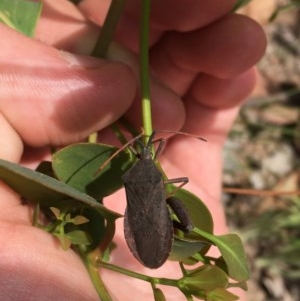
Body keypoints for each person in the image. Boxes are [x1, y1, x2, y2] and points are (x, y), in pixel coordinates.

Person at [0, 0, 266, 300]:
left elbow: (149, 169)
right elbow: (171, 182)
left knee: (175, 206)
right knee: (182, 210)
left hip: (144, 205)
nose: (149, 151)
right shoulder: (149, 173)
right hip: (153, 203)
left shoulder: (135, 174)